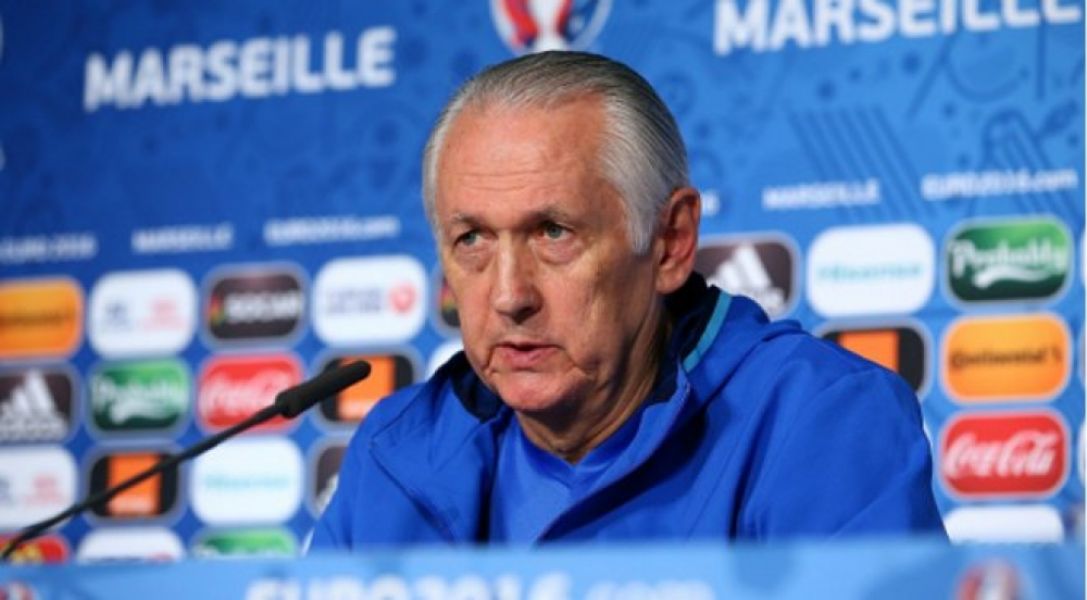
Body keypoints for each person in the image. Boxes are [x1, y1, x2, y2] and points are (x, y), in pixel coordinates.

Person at [310, 51, 945, 548]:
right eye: (472, 239)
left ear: (670, 242)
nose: (508, 296)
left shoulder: (821, 422)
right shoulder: (392, 455)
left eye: (553, 232)